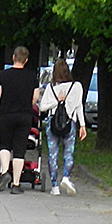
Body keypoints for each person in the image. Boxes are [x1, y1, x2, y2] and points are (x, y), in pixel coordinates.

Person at [0, 46, 40, 194]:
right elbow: (35, 98)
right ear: (26, 60)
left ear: (13, 57)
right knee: (19, 149)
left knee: (5, 145)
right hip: (24, 116)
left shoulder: (3, 75)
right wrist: (27, 104)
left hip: (6, 115)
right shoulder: (32, 76)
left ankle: (5, 172)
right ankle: (16, 185)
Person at [38, 59, 87, 195]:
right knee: (68, 153)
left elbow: (42, 107)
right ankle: (66, 177)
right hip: (70, 123)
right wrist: (82, 125)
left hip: (53, 123)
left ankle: (54, 186)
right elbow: (79, 106)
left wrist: (56, 101)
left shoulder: (50, 88)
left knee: (53, 154)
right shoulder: (77, 86)